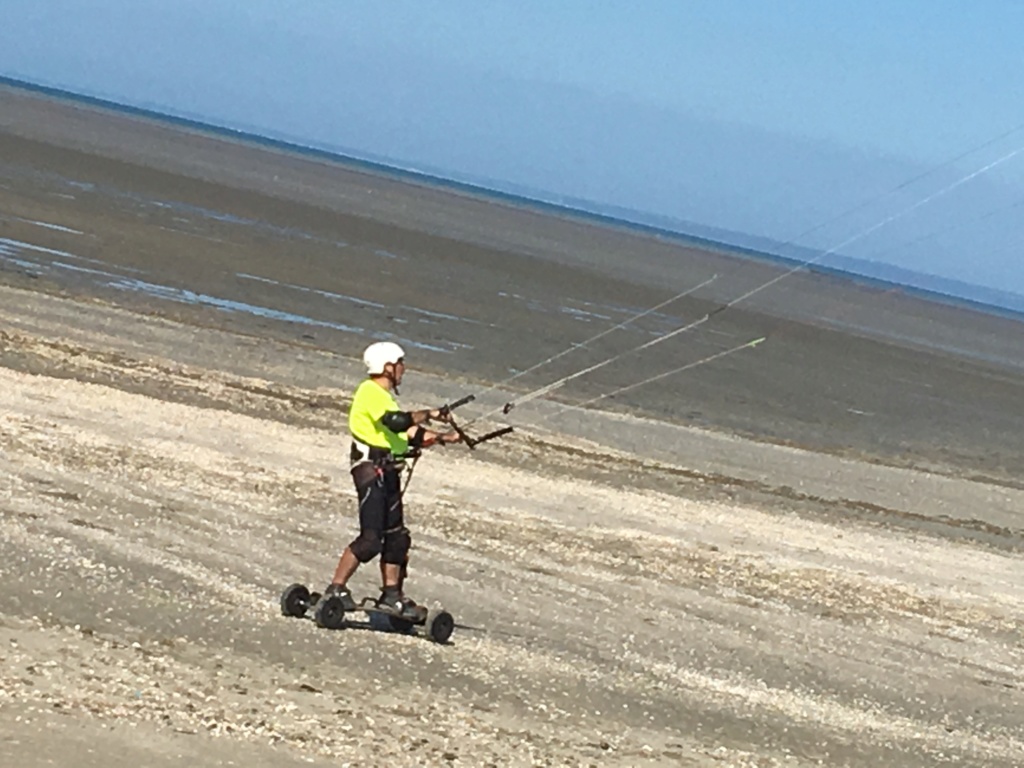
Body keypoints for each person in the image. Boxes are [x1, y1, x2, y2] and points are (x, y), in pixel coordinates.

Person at [324, 340, 462, 620]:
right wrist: (432, 413)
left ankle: (391, 596)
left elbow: (409, 432)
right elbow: (396, 422)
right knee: (371, 539)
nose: (404, 369)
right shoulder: (370, 392)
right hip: (370, 469)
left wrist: (444, 437)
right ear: (388, 367)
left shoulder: (386, 398)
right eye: (400, 363)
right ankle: (335, 588)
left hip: (389, 471)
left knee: (397, 538)